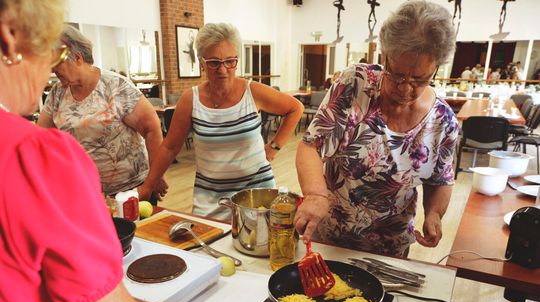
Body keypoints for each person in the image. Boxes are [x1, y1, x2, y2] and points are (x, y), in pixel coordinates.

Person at [0, 1, 202, 302]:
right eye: (49, 55)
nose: (49, 72)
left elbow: (150, 128)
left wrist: (148, 184)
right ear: (10, 39)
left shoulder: (111, 87)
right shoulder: (33, 157)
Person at [294, 0, 459, 258]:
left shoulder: (443, 120)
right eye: (396, 74)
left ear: (437, 67)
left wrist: (435, 214)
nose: (405, 89)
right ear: (385, 56)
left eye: (419, 80)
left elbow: (441, 179)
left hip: (389, 250)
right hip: (331, 239)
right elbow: (311, 146)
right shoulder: (355, 84)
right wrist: (315, 194)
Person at [139, 23, 303, 220]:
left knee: (257, 245)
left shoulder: (253, 92)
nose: (223, 69)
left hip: (256, 192)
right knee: (206, 247)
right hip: (210, 197)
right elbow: (170, 147)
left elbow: (295, 108)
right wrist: (148, 185)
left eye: (230, 61)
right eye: (214, 62)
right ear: (202, 62)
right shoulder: (190, 99)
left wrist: (274, 147)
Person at [37, 26, 167, 200]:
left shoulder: (115, 86)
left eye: (56, 62)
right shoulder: (57, 93)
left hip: (129, 191)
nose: (52, 70)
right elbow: (40, 138)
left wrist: (152, 181)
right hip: (85, 193)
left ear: (77, 58)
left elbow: (152, 128)